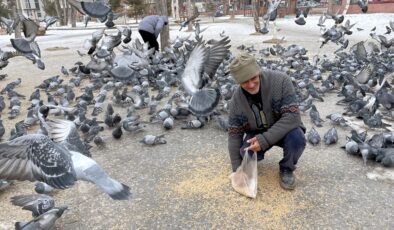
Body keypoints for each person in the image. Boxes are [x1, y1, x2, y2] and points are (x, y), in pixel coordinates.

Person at [228, 53, 306, 190]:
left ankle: (287, 168)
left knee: (297, 138)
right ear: (238, 83)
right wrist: (237, 169)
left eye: (253, 78)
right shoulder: (236, 101)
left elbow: (293, 117)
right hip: (257, 131)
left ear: (258, 72)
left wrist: (264, 140)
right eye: (245, 82)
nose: (251, 85)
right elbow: (234, 134)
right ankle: (249, 165)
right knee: (245, 152)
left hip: (284, 129)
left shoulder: (281, 81)